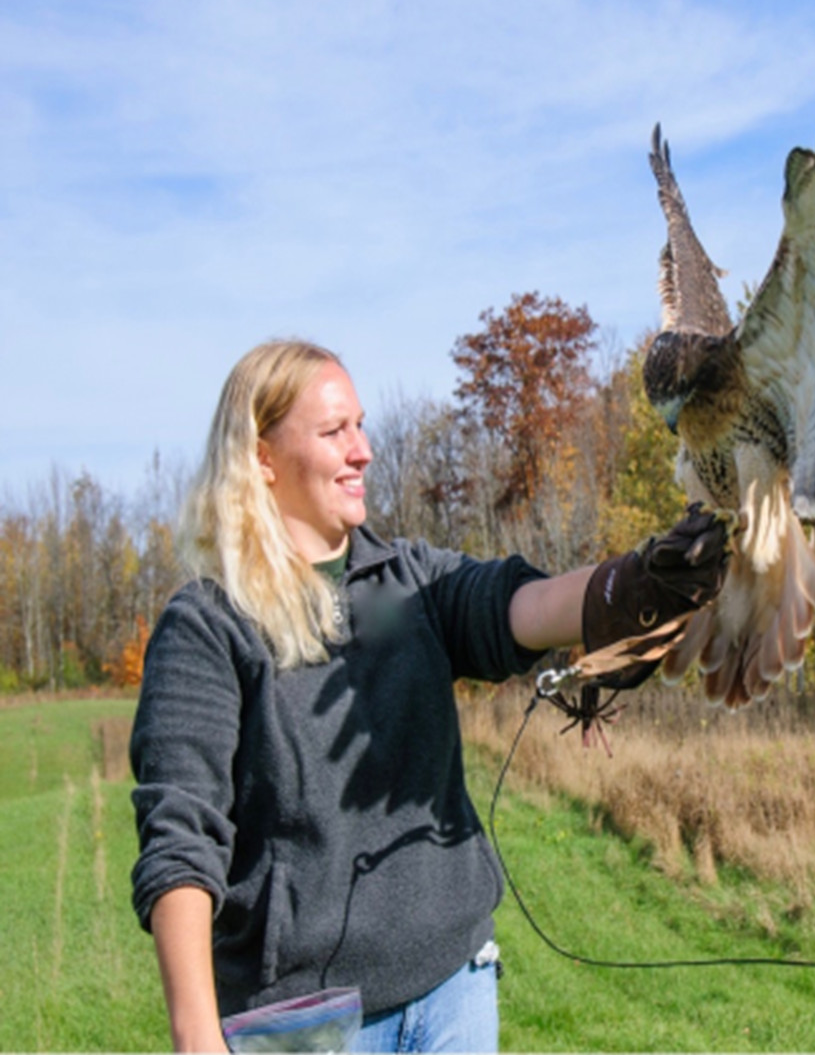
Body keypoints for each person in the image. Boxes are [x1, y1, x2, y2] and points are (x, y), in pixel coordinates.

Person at [129, 339, 727, 1052]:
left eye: (360, 424)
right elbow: (181, 842)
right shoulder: (208, 623)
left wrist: (634, 582)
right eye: (334, 431)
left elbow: (515, 605)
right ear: (262, 458)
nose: (364, 450)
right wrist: (198, 1038)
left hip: (454, 991)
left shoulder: (405, 580)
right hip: (307, 1023)